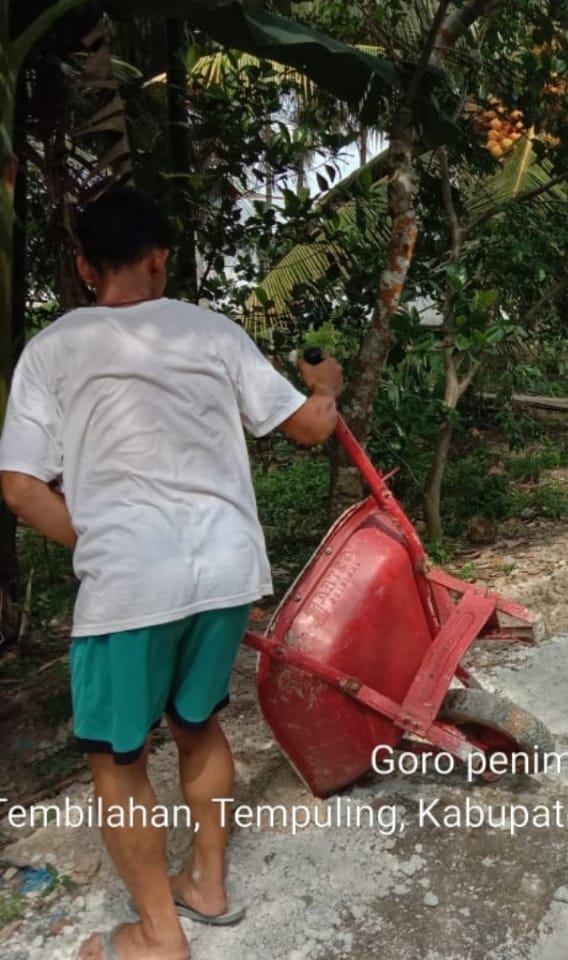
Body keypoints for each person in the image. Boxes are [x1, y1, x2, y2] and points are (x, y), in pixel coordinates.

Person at [0, 186, 343, 960]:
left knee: (116, 762)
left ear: (87, 267)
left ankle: (158, 935)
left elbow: (20, 486)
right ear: (160, 260)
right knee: (198, 725)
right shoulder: (211, 331)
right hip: (225, 570)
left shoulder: (52, 349)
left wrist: (95, 542)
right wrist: (327, 386)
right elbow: (308, 428)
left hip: (130, 584)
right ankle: (206, 885)